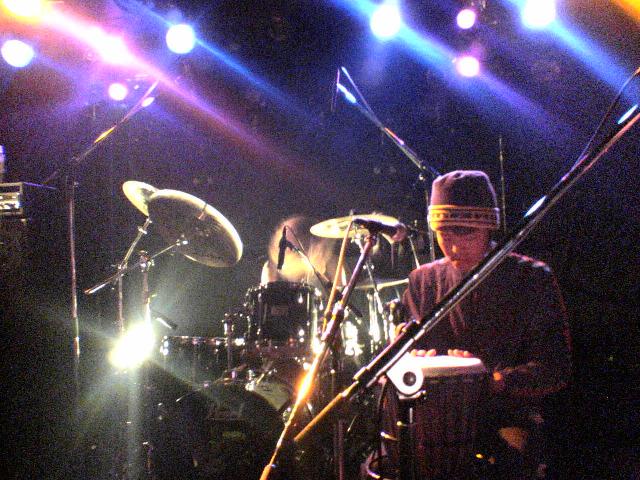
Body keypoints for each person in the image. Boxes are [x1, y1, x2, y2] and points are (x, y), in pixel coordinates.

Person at [397, 170, 572, 479]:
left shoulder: (530, 278)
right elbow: (404, 353)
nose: (453, 248)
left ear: (489, 226)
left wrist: (494, 381)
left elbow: (555, 367)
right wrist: (410, 360)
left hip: (505, 414)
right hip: (434, 420)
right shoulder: (423, 281)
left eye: (466, 234)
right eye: (444, 235)